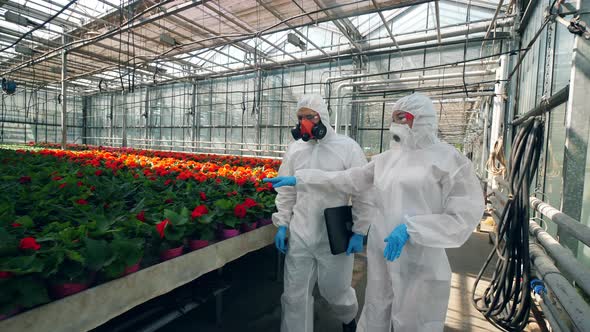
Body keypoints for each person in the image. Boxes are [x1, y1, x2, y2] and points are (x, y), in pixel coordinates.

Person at [265, 93, 484, 331]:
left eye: (402, 118)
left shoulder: (449, 159)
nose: (396, 124)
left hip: (419, 252)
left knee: (415, 317)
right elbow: (349, 179)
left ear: (423, 119)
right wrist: (300, 179)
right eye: (394, 118)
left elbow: (464, 214)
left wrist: (413, 229)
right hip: (381, 249)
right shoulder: (387, 159)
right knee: (376, 310)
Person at [270, 94, 374, 332]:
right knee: (294, 295)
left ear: (323, 117)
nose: (304, 122)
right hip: (301, 231)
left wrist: (359, 230)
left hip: (333, 233)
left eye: (310, 116)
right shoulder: (296, 149)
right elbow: (287, 190)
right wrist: (283, 223)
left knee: (335, 290)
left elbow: (363, 192)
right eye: (300, 117)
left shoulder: (347, 148)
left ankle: (347, 317)